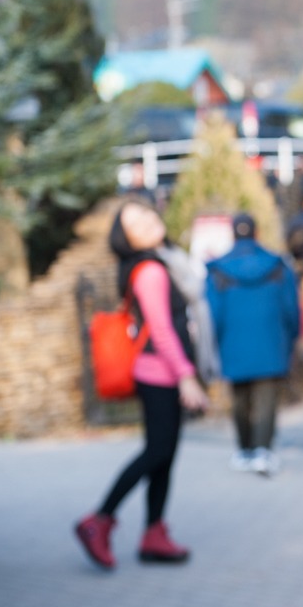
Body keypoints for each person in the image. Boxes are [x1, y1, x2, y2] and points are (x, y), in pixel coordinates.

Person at [75, 200, 210, 570]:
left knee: (163, 457)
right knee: (156, 453)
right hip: (159, 375)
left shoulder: (151, 263)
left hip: (158, 373)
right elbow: (163, 329)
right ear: (125, 237)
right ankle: (98, 520)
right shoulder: (150, 269)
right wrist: (186, 377)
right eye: (136, 222)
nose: (149, 222)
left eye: (148, 214)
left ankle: (154, 534)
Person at [206, 213, 300, 477]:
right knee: (267, 397)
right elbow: (291, 307)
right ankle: (263, 451)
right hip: (271, 339)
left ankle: (244, 450)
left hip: (232, 342)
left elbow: (212, 314)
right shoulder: (278, 265)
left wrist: (214, 345)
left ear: (233, 234)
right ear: (256, 233)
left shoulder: (216, 269)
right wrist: (292, 336)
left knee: (239, 397)